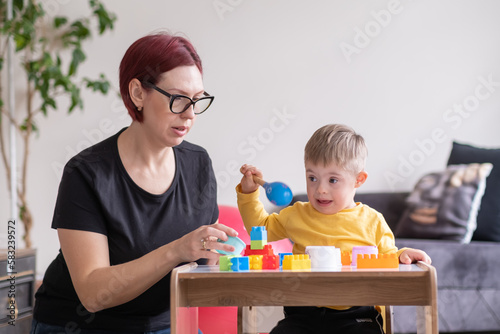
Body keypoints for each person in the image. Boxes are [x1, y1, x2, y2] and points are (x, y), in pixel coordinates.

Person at [31, 32, 238, 334]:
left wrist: (228, 255)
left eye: (197, 101)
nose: (191, 114)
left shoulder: (198, 164)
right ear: (138, 93)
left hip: (166, 326)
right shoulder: (86, 173)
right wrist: (177, 250)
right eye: (179, 99)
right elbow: (92, 294)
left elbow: (203, 263)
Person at [237, 124, 431, 334]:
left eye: (333, 180)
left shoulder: (372, 221)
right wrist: (249, 194)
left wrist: (403, 255)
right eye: (312, 178)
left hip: (356, 315)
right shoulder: (297, 214)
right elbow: (260, 228)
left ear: (358, 180)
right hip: (303, 314)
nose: (320, 189)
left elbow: (388, 258)